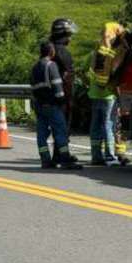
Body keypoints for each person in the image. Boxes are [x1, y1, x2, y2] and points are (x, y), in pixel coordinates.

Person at [31, 41, 83, 170]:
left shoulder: (35, 67)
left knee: (42, 134)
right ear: (50, 51)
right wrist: (62, 101)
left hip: (39, 105)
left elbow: (32, 88)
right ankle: (65, 160)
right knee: (61, 132)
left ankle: (45, 160)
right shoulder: (51, 65)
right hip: (52, 105)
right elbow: (57, 86)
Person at [88, 22, 131, 166]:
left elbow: (89, 72)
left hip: (94, 94)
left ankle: (95, 155)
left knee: (95, 125)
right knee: (109, 125)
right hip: (108, 96)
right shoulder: (114, 53)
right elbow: (116, 75)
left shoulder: (97, 51)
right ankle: (109, 156)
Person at [49, 18, 79, 163]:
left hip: (51, 95)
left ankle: (57, 155)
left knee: (57, 127)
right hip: (62, 96)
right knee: (63, 127)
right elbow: (68, 76)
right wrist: (69, 98)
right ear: (63, 34)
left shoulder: (50, 49)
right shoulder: (62, 52)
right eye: (69, 34)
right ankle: (63, 156)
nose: (70, 38)